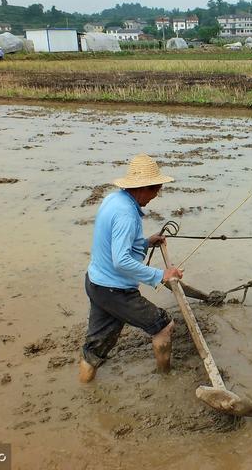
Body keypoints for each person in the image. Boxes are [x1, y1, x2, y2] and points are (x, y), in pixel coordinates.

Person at [79, 153, 183, 383]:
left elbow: (116, 244)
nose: (157, 195)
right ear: (143, 188)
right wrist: (162, 275)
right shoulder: (127, 214)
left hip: (96, 282)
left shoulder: (114, 200)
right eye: (156, 189)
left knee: (95, 348)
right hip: (116, 291)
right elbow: (121, 260)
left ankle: (85, 385)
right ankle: (166, 380)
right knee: (164, 326)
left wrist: (146, 242)